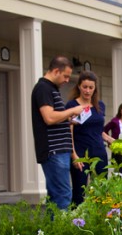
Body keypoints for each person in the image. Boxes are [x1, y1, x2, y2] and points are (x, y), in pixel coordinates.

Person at [31, 57, 85, 210]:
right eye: (66, 76)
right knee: (62, 195)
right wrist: (72, 110)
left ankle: (52, 232)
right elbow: (48, 118)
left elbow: (54, 118)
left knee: (55, 197)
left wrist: (68, 119)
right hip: (54, 150)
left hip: (59, 151)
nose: (67, 80)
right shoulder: (43, 88)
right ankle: (62, 232)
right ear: (56, 71)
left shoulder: (51, 89)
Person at [65, 70, 108, 207]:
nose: (87, 90)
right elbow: (69, 130)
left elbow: (98, 130)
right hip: (81, 153)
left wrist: (111, 140)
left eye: (91, 87)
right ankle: (77, 223)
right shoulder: (72, 106)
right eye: (85, 87)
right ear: (79, 86)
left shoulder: (99, 106)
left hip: (99, 151)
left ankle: (100, 221)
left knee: (102, 189)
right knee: (79, 191)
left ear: (95, 89)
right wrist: (74, 155)